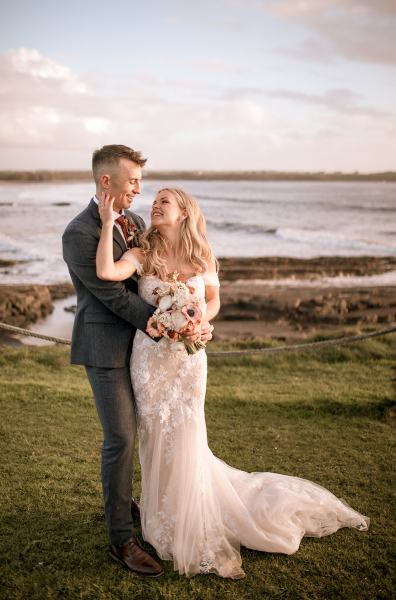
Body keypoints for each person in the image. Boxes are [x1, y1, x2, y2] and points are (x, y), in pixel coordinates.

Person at [96, 187, 370, 579]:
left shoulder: (202, 255)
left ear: (185, 212)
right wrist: (107, 225)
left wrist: (201, 323)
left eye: (165, 201)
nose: (155, 205)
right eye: (153, 200)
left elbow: (212, 301)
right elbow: (107, 272)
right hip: (150, 360)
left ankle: (191, 514)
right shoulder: (143, 252)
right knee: (156, 435)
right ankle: (160, 514)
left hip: (189, 362)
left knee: (188, 433)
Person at [62, 145, 212, 577]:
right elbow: (110, 294)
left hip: (143, 352)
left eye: (142, 184)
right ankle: (121, 539)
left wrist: (186, 313)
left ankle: (128, 499)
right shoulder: (79, 232)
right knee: (122, 438)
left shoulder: (138, 223)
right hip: (106, 349)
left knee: (151, 431)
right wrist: (165, 321)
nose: (138, 190)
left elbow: (153, 275)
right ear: (106, 182)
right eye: (133, 182)